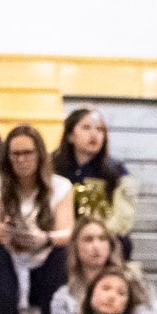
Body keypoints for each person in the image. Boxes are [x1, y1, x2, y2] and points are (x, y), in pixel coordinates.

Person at [0, 124, 72, 314]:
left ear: (40, 155)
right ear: (8, 157)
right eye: (16, 154)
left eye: (28, 153)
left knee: (62, 254)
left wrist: (44, 238)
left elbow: (67, 233)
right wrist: (4, 232)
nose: (21, 159)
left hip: (45, 262)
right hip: (7, 260)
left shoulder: (61, 186)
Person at [51, 108, 136, 256]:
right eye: (86, 127)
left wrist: (95, 236)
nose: (94, 134)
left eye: (100, 129)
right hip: (62, 239)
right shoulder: (51, 168)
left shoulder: (118, 172)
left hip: (104, 239)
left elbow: (123, 219)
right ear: (70, 135)